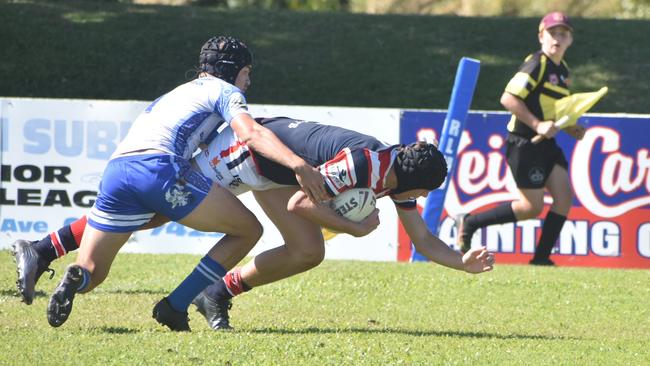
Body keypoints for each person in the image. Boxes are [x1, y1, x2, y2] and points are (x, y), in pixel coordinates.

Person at [14, 117, 495, 331]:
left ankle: (217, 292)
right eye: (422, 194)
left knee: (308, 252)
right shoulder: (365, 166)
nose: (419, 202)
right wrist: (353, 228)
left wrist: (463, 263)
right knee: (157, 209)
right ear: (410, 182)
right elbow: (302, 206)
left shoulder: (395, 177)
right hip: (246, 154)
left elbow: (425, 241)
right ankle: (44, 246)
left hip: (278, 172)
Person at [41, 36, 327, 331]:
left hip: (117, 171)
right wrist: (298, 165)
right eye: (247, 72)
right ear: (233, 71)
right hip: (159, 169)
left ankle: (75, 275)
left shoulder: (180, 91)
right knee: (248, 230)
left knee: (93, 272)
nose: (248, 80)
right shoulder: (225, 90)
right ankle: (176, 305)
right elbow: (250, 133)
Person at [455, 12, 586, 265]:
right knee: (532, 208)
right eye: (552, 32)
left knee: (564, 197)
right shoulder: (537, 63)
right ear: (541, 37)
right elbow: (508, 98)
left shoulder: (563, 70)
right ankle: (469, 221)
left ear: (570, 40)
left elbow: (553, 111)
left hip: (546, 143)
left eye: (563, 33)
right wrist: (537, 124)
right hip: (524, 143)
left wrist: (571, 127)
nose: (558, 38)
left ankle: (540, 259)